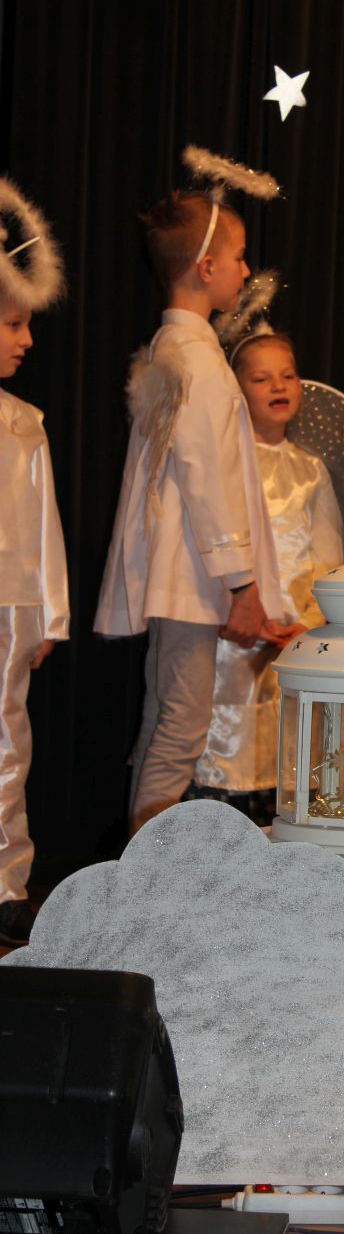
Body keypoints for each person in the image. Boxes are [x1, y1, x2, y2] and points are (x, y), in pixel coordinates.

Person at [95, 187, 287, 832]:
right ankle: (145, 876)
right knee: (182, 724)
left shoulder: (173, 347)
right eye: (239, 257)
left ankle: (140, 869)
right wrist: (242, 583)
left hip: (182, 572)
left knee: (167, 718)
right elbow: (208, 478)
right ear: (207, 268)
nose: (245, 270)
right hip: (193, 574)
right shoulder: (197, 359)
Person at [188, 331, 344, 820]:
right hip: (236, 631)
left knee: (288, 751)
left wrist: (311, 623)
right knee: (227, 745)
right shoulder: (228, 466)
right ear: (237, 390)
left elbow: (327, 556)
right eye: (261, 378)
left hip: (292, 639)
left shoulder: (310, 470)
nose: (278, 386)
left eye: (288, 375)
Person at [0, 177, 68, 945]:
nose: (27, 340)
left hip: (13, 604)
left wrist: (51, 612)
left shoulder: (24, 422)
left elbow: (44, 520)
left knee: (8, 744)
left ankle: (7, 882)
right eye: (14, 323)